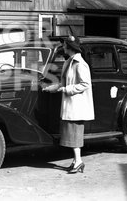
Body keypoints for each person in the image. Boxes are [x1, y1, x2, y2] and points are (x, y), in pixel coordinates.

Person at [43, 35, 94, 174]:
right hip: (70, 105)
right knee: (71, 134)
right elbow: (64, 83)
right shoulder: (69, 62)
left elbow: (85, 84)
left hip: (76, 105)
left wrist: (66, 89)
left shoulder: (80, 64)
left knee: (75, 134)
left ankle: (79, 162)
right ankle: (76, 161)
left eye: (65, 45)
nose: (63, 47)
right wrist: (53, 88)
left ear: (71, 48)